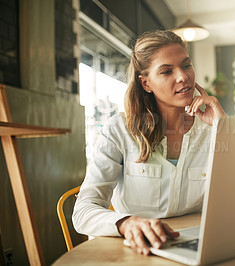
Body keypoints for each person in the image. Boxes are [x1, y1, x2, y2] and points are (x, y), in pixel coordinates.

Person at [72, 30, 226, 256]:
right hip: (137, 251)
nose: (183, 77)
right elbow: (83, 211)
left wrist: (224, 129)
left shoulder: (213, 128)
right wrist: (127, 223)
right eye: (166, 71)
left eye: (186, 65)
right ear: (146, 84)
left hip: (196, 247)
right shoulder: (120, 130)